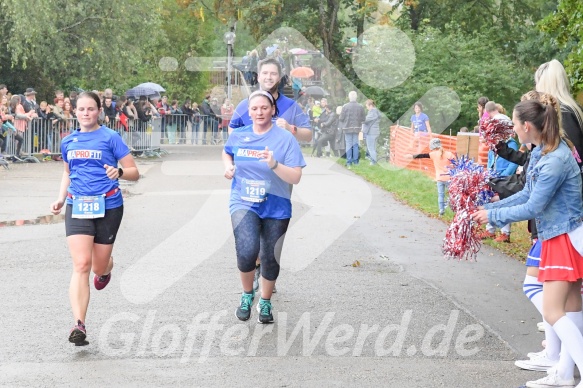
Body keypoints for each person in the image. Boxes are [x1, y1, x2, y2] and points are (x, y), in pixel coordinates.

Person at [471, 96, 583, 388]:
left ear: (528, 126)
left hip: (565, 238)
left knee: (553, 311)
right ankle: (563, 373)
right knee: (570, 308)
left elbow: (533, 206)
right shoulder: (540, 153)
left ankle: (566, 371)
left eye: (515, 125)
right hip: (558, 235)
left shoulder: (555, 159)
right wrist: (491, 210)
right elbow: (526, 195)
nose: (513, 131)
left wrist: (492, 218)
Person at [49, 92, 140, 346]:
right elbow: (68, 173)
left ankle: (107, 267)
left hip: (108, 206)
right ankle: (79, 324)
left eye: (91, 109)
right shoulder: (69, 141)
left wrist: (119, 171)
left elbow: (134, 172)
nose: (86, 113)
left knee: (98, 267)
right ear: (75, 112)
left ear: (99, 111)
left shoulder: (111, 138)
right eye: (81, 109)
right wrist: (60, 197)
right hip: (77, 205)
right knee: (81, 265)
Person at [229, 57, 312, 293]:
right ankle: (255, 266)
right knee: (249, 235)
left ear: (279, 77)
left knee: (271, 236)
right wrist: (234, 161)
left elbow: (309, 135)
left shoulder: (291, 107)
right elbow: (231, 132)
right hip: (248, 181)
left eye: (273, 74)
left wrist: (292, 129)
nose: (268, 77)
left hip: (279, 178)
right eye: (264, 73)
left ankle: (266, 270)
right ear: (258, 76)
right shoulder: (247, 105)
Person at [222, 90, 305, 323]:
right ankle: (247, 295)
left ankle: (265, 302)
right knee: (247, 251)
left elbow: (296, 177)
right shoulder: (239, 135)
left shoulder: (285, 138)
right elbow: (227, 153)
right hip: (243, 201)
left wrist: (274, 164)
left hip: (276, 206)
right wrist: (228, 167)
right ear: (249, 112)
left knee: (270, 257)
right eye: (255, 108)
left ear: (273, 110)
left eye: (264, 108)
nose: (259, 112)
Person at [479, 101, 519, 243]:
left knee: (504, 203)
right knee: (490, 200)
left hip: (505, 178)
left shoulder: (511, 144)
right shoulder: (494, 144)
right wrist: (489, 172)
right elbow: (491, 159)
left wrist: (505, 175)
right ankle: (490, 229)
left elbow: (514, 162)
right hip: (493, 177)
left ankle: (505, 232)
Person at [408, 138, 455, 216]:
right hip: (449, 178)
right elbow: (456, 165)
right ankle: (453, 209)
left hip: (439, 179)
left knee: (441, 195)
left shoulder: (433, 154)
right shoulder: (449, 154)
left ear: (433, 148)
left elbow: (422, 155)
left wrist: (411, 156)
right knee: (452, 194)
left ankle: (441, 210)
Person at [339, 91, 365, 168]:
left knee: (349, 145)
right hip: (357, 128)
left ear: (349, 97)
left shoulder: (345, 106)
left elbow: (341, 118)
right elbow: (363, 118)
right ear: (356, 97)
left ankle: (349, 162)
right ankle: (356, 162)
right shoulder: (360, 106)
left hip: (347, 128)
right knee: (355, 145)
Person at [362, 99, 381, 165]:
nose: (366, 107)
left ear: (370, 105)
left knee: (371, 148)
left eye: (367, 106)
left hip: (371, 133)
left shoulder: (372, 112)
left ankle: (373, 163)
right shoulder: (376, 112)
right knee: (373, 148)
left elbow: (365, 120)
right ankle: (374, 161)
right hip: (375, 132)